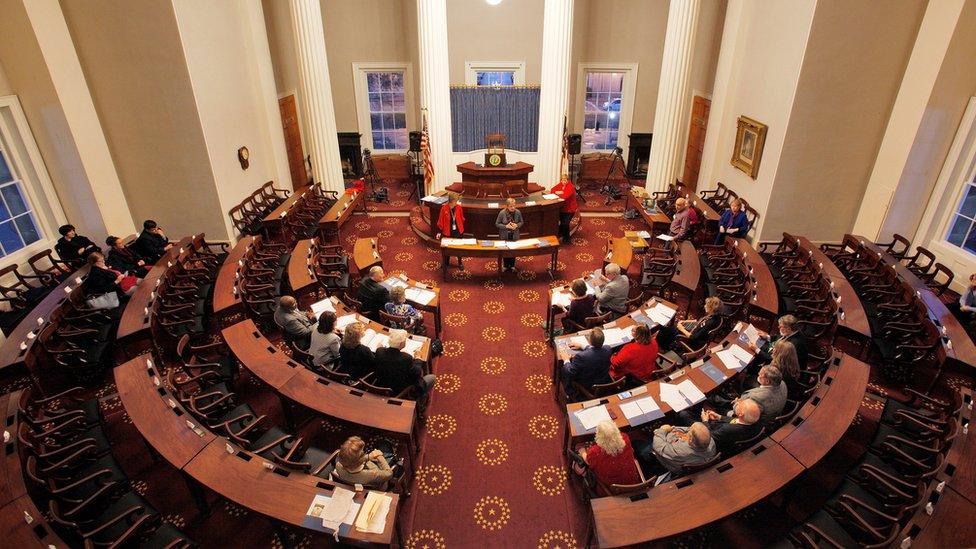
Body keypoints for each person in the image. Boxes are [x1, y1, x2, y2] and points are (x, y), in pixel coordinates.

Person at [635, 422, 716, 478]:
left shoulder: (680, 451)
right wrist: (673, 429)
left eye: (690, 432)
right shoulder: (709, 441)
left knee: (639, 445)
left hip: (667, 462)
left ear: (691, 439)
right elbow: (687, 429)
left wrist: (662, 431)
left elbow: (658, 446)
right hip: (690, 461)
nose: (688, 430)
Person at [373, 329, 435, 403]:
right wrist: (418, 359)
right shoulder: (406, 358)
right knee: (432, 378)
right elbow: (417, 373)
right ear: (401, 344)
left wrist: (380, 348)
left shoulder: (379, 351)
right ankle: (420, 400)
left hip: (381, 385)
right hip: (398, 389)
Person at [717, 365, 787, 425]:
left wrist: (737, 404)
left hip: (752, 423)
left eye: (760, 375)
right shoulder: (782, 383)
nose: (758, 374)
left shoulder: (756, 397)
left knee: (719, 406)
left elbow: (739, 412)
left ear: (767, 381)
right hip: (772, 413)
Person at [581, 420, 642, 487]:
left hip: (611, 489)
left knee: (579, 466)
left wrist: (582, 451)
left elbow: (588, 461)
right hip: (633, 484)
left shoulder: (595, 452)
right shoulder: (625, 438)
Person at [563, 328, 613, 398]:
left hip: (588, 383)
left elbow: (570, 371)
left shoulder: (581, 356)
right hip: (603, 379)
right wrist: (582, 346)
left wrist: (566, 360)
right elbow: (596, 350)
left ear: (589, 341)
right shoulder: (608, 349)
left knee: (566, 369)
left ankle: (569, 392)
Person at [495, 198, 523, 272]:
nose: (513, 208)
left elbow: (521, 222)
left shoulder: (518, 212)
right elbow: (497, 224)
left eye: (514, 206)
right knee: (505, 251)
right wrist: (506, 226)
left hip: (514, 235)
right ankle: (505, 266)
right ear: (507, 206)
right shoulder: (502, 213)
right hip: (505, 235)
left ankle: (512, 266)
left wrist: (516, 225)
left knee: (513, 251)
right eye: (511, 206)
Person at [550, 175, 578, 244]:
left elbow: (565, 196)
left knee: (565, 223)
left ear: (568, 180)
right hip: (562, 208)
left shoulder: (571, 187)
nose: (563, 182)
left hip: (570, 209)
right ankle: (565, 237)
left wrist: (558, 192)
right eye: (562, 180)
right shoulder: (561, 184)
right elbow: (552, 190)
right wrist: (559, 192)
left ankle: (564, 237)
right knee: (563, 223)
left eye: (565, 180)